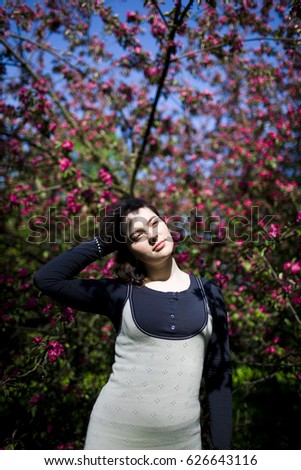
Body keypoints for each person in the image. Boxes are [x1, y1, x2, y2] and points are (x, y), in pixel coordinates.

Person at [33, 197, 232, 450]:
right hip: (112, 439)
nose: (152, 235)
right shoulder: (118, 293)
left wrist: (221, 455)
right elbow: (47, 279)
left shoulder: (209, 293)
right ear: (126, 248)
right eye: (138, 235)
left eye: (154, 223)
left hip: (182, 445)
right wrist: (105, 241)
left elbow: (219, 376)